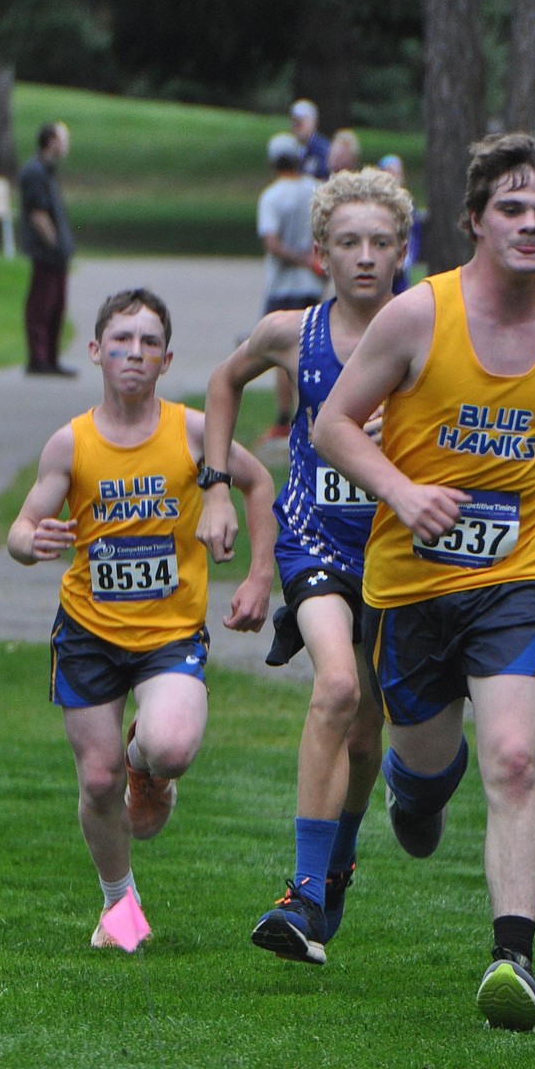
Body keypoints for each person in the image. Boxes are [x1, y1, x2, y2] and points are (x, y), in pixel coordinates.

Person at [314, 132, 535, 1032]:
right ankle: (414, 794)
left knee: (514, 758)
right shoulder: (418, 315)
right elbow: (335, 424)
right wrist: (402, 490)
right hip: (413, 586)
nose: (530, 225)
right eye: (513, 209)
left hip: (517, 577)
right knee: (423, 778)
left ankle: (513, 959)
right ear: (473, 221)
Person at [7, 288, 276, 948]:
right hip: (88, 633)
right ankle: (120, 907)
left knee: (173, 746)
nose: (135, 352)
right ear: (96, 352)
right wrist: (30, 541)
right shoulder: (70, 443)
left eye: (149, 342)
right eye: (122, 340)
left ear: (167, 358)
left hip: (169, 633)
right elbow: (21, 526)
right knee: (96, 780)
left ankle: (147, 765)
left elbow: (258, 482)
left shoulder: (189, 431)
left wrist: (259, 575)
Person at [200, 167, 413, 963]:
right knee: (336, 686)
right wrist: (215, 487)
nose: (365, 256)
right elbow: (224, 382)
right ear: (319, 252)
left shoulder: (427, 331)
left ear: (403, 250)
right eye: (348, 242)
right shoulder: (292, 332)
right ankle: (300, 893)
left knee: (367, 739)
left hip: (398, 550)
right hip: (315, 539)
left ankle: (337, 865)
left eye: (381, 242)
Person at [257, 132, 323, 451]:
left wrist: (299, 259)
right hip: (312, 286)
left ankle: (284, 420)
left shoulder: (272, 196)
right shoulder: (315, 190)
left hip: (282, 288)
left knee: (282, 357)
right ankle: (311, 417)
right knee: (309, 355)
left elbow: (271, 243)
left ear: (272, 162)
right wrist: (314, 261)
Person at [18, 121, 76, 376]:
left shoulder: (47, 171)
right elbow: (38, 214)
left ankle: (51, 358)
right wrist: (55, 244)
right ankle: (38, 359)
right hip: (46, 253)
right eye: (63, 139)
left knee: (56, 306)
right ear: (51, 141)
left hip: (57, 254)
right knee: (42, 305)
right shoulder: (35, 172)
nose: (66, 145)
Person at [377, 154, 425, 295]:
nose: (393, 176)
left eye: (396, 172)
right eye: (388, 171)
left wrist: (405, 263)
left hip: (401, 272)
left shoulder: (409, 207)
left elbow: (413, 239)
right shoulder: (374, 206)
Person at [290, 99, 331, 180]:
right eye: (294, 122)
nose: (296, 126)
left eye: (301, 123)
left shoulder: (323, 150)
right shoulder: (291, 148)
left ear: (314, 122)